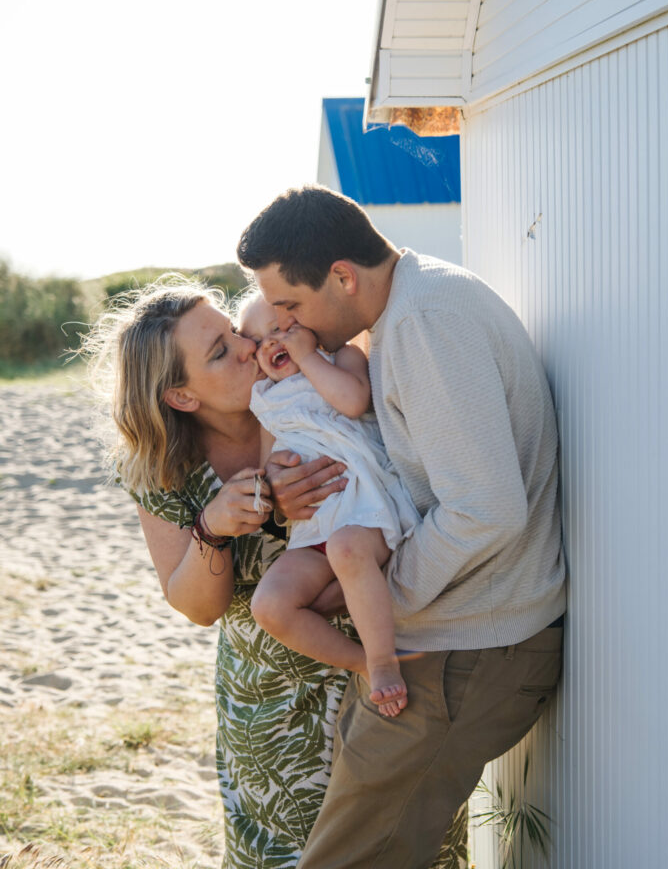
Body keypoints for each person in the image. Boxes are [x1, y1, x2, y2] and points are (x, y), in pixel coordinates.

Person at [82, 274, 466, 869]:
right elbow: (197, 607)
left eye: (233, 331)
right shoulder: (161, 468)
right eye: (220, 352)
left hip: (392, 661)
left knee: (410, 847)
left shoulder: (311, 386)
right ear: (182, 396)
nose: (245, 345)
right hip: (270, 698)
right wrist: (216, 526)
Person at [237, 184, 567, 869]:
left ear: (343, 276)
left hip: (467, 652)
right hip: (456, 641)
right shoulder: (414, 306)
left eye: (291, 306)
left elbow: (486, 508)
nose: (286, 325)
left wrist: (382, 593)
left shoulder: (423, 323)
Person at [239, 292, 419, 717]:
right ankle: (361, 664)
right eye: (256, 340)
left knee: (346, 550)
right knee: (269, 605)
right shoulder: (267, 401)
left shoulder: (342, 357)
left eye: (282, 329)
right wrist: (277, 481)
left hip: (366, 510)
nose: (270, 343)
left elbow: (353, 401)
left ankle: (383, 660)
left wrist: (309, 358)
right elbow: (271, 468)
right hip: (315, 527)